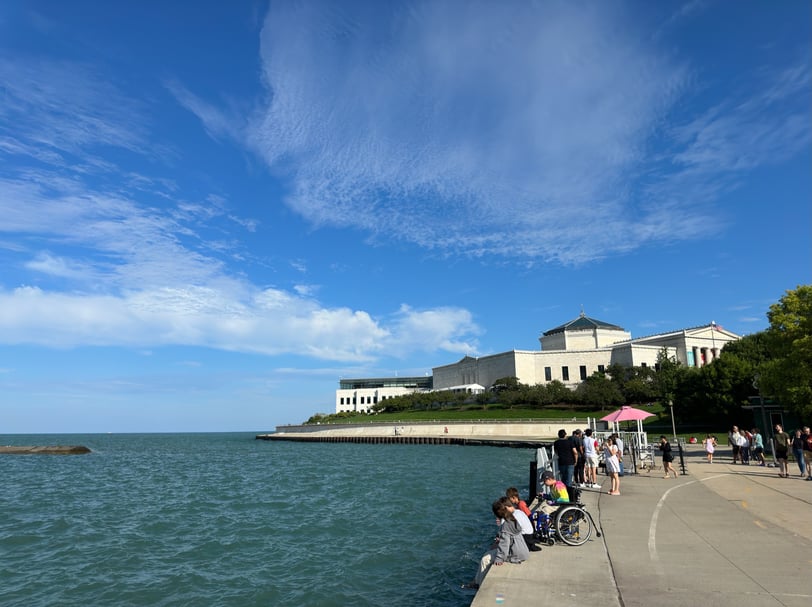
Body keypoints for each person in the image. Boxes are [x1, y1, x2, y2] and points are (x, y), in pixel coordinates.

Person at [470, 499, 530, 588]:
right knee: (490, 553)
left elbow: (504, 545)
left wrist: (499, 559)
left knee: (485, 559)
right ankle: (476, 581)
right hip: (523, 550)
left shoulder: (505, 525)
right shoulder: (513, 519)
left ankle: (478, 584)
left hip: (516, 553)